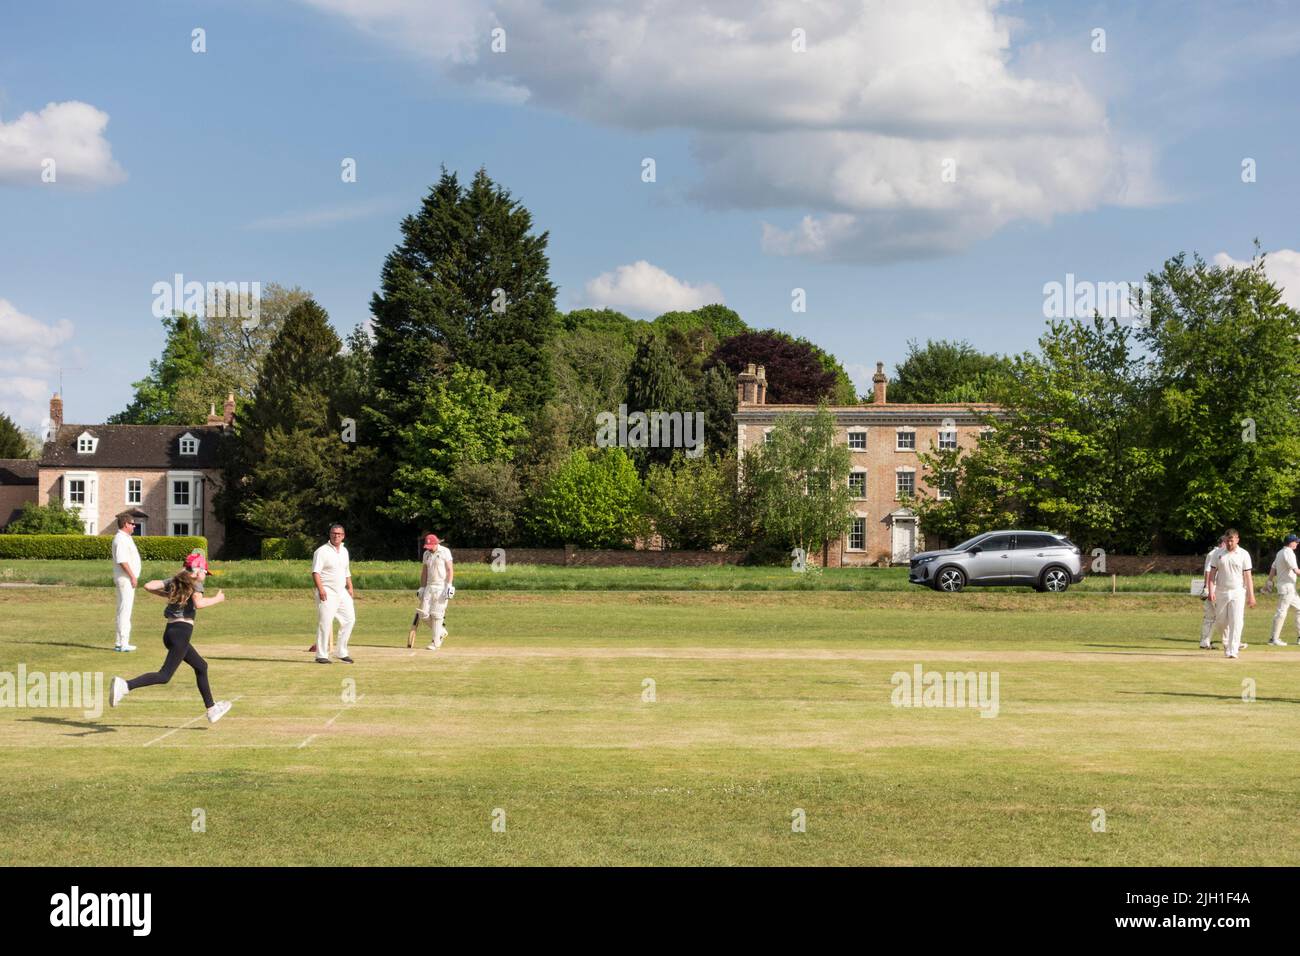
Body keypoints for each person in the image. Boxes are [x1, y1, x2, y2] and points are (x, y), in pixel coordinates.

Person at [109, 552, 232, 723]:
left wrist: (168, 593)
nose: (205, 575)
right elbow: (199, 604)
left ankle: (211, 709)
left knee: (201, 666)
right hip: (181, 634)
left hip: (171, 633)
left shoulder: (176, 581)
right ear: (198, 570)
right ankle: (125, 685)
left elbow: (148, 586)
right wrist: (218, 599)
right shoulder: (195, 583)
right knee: (164, 676)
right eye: (205, 572)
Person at [1208, 529, 1255, 660]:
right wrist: (1211, 591)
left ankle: (1233, 650)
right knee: (1221, 622)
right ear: (1224, 540)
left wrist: (1251, 596)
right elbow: (1212, 575)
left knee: (1236, 621)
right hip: (1221, 591)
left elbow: (1248, 576)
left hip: (1238, 592)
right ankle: (1227, 644)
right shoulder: (1217, 553)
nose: (1229, 543)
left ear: (1237, 540)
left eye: (1232, 540)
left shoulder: (1244, 554)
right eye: (1227, 540)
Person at [312, 523, 356, 664]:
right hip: (327, 591)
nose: (336, 536)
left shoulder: (344, 551)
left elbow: (346, 571)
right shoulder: (322, 551)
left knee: (349, 619)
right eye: (334, 533)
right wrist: (321, 589)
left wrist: (350, 587)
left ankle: (341, 651)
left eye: (339, 534)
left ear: (343, 536)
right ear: (330, 534)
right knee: (325, 622)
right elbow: (315, 572)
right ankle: (321, 655)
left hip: (342, 591)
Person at [410, 533, 454, 651]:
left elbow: (450, 569)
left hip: (441, 587)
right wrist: (422, 587)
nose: (428, 548)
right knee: (423, 614)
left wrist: (449, 585)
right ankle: (441, 631)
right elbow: (424, 571)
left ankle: (436, 642)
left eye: (430, 546)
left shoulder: (445, 551)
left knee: (437, 615)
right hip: (429, 587)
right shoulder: (426, 554)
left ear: (436, 543)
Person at [111, 513, 141, 652]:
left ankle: (119, 642)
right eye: (132, 524)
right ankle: (123, 643)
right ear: (126, 524)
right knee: (125, 610)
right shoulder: (120, 539)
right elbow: (122, 561)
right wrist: (133, 577)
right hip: (125, 579)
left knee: (123, 609)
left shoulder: (126, 538)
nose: (134, 526)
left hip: (126, 578)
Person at [1266, 533, 1300, 646]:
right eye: (1296, 541)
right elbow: (1296, 570)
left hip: (1288, 587)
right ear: (1291, 542)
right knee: (1281, 612)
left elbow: (1273, 568)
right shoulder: (1289, 553)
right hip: (1287, 587)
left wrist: (1269, 581)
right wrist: (1269, 581)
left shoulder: (1280, 552)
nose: (1297, 543)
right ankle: (1274, 639)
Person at [1199, 534, 1226, 650]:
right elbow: (1208, 572)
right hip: (1213, 588)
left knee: (1211, 617)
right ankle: (1231, 642)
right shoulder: (1215, 553)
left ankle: (1205, 642)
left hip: (1213, 587)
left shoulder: (1217, 553)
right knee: (1222, 615)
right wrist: (1207, 588)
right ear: (1223, 543)